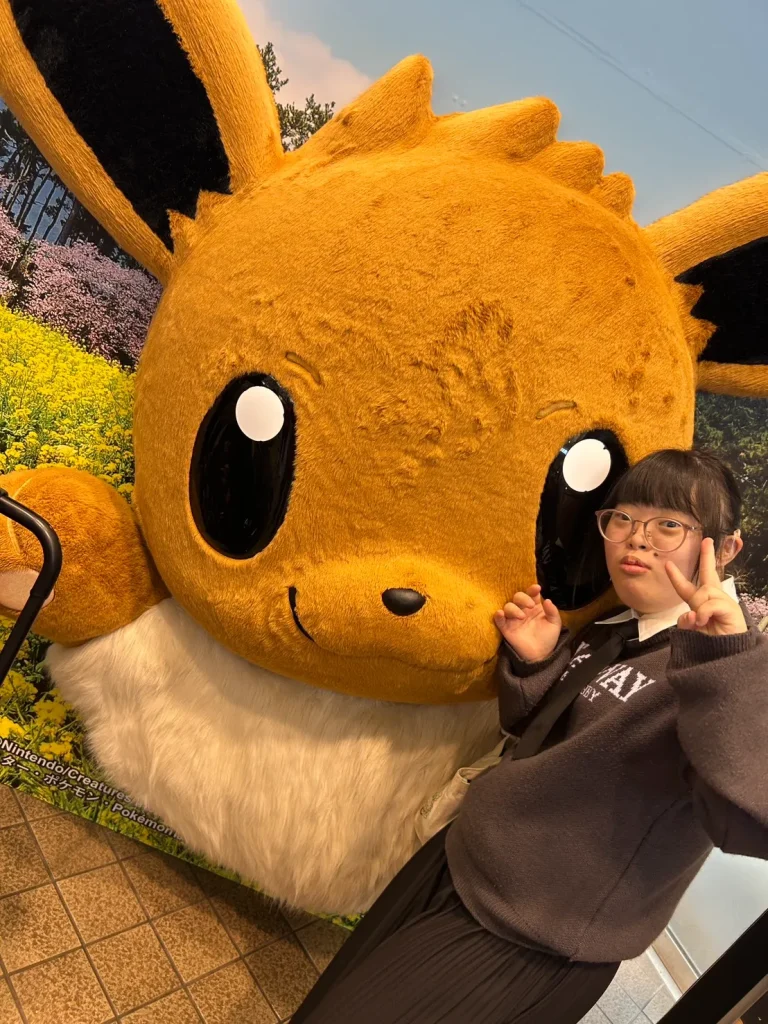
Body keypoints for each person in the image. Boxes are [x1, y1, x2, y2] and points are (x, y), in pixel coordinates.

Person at [292, 448, 768, 1024]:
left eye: (669, 525)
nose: (636, 541)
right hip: (462, 864)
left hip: (530, 938)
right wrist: (539, 663)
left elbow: (745, 817)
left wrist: (723, 662)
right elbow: (549, 740)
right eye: (623, 518)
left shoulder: (733, 666)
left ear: (726, 548)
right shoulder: (616, 626)